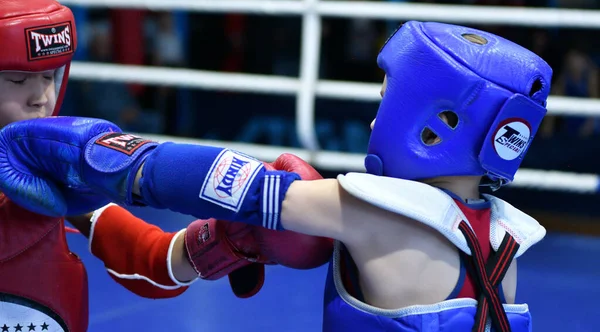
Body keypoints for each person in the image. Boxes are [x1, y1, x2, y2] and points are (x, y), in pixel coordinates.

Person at [0, 21, 552, 331]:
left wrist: (108, 155)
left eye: (385, 101)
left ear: (431, 125)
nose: (372, 118)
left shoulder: (377, 211)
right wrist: (210, 246)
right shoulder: (505, 243)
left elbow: (232, 187)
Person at [0, 0, 331, 331]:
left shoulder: (49, 170)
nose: (41, 97)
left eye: (50, 76)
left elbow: (148, 260)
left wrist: (220, 241)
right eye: (19, 80)